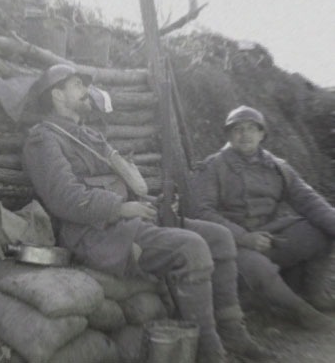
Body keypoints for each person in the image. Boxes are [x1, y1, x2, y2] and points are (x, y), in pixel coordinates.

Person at [22, 65, 272, 363]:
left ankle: (233, 332)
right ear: (57, 94)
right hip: (94, 234)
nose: (86, 91)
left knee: (220, 238)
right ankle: (209, 351)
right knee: (191, 247)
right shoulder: (43, 140)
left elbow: (126, 184)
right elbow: (63, 198)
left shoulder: (90, 136)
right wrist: (119, 208)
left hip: (127, 220)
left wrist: (155, 203)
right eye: (77, 85)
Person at [192, 105, 335, 330]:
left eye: (251, 128)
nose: (245, 134)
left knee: (321, 230)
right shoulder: (213, 167)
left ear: (262, 134)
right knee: (257, 267)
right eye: (238, 129)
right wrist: (244, 237)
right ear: (229, 135)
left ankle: (313, 294)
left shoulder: (277, 166)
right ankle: (301, 312)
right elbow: (201, 212)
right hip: (230, 244)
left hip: (269, 236)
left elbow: (308, 200)